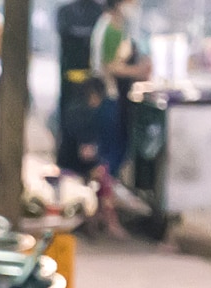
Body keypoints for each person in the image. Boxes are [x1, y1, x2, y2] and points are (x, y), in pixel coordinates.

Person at [90, 0, 150, 235]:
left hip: (110, 95)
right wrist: (138, 71)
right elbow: (110, 66)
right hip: (109, 95)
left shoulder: (112, 26)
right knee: (110, 158)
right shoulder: (111, 29)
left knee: (108, 159)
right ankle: (109, 218)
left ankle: (100, 215)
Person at [56, 0, 105, 172]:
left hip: (86, 83)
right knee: (73, 129)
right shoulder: (66, 13)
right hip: (75, 83)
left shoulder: (98, 12)